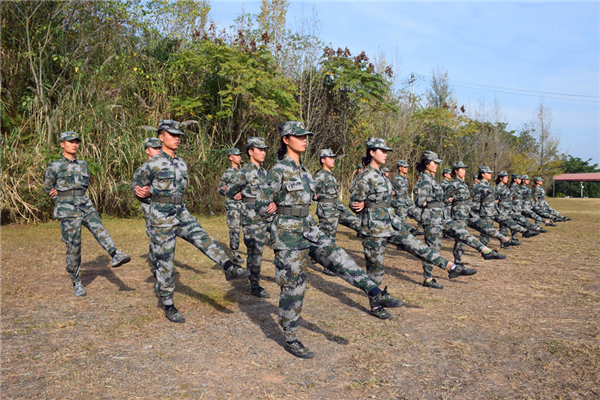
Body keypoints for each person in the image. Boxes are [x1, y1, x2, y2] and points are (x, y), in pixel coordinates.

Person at [256, 122, 404, 359]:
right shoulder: (279, 170)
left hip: (308, 228)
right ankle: (291, 337)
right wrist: (271, 210)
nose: (304, 140)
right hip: (287, 235)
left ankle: (375, 292)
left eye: (306, 136)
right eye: (299, 136)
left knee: (340, 257)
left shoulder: (304, 171)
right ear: (286, 139)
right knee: (294, 288)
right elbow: (261, 204)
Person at [132, 120, 250, 323]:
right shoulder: (151, 164)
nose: (176, 138)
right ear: (161, 137)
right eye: (172, 134)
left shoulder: (181, 163)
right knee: (166, 262)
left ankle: (229, 266)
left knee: (203, 237)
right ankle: (168, 303)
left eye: (178, 135)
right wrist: (142, 194)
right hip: (161, 216)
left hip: (181, 211)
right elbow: (137, 187)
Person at [351, 140, 477, 291]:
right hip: (374, 228)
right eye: (382, 151)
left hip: (390, 222)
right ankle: (375, 303)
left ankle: (451, 267)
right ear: (372, 152)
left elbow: (387, 197)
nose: (385, 154)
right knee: (376, 272)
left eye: (386, 152)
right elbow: (355, 203)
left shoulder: (382, 176)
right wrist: (365, 204)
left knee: (418, 246)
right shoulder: (364, 177)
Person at [45, 131, 131, 297]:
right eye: (70, 141)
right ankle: (76, 281)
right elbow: (48, 188)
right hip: (67, 209)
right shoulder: (54, 166)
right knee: (73, 246)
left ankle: (115, 254)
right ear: (62, 144)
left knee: (99, 229)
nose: (74, 144)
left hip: (85, 204)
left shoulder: (83, 165)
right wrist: (59, 197)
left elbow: (84, 185)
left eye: (76, 141)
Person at [414, 153, 503, 289]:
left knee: (461, 232)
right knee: (433, 250)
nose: (437, 165)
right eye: (434, 162)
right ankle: (428, 279)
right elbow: (419, 202)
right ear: (427, 163)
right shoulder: (424, 180)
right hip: (431, 218)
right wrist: (433, 202)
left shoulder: (431, 178)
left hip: (441, 216)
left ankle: (486, 251)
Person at [225, 137, 272, 298]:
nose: (263, 152)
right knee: (255, 251)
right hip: (251, 217)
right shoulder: (244, 172)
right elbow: (230, 190)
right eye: (260, 149)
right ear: (251, 152)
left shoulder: (264, 172)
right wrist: (240, 196)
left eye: (265, 149)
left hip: (266, 215)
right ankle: (254, 284)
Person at [444, 161, 514, 266]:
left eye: (464, 169)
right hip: (458, 214)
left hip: (467, 212)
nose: (464, 171)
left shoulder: (462, 183)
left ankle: (500, 242)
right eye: (462, 169)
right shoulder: (452, 184)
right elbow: (445, 199)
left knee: (481, 228)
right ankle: (457, 261)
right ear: (456, 171)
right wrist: (453, 200)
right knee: (461, 238)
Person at [473, 167, 539, 247]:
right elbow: (476, 200)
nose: (490, 175)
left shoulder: (488, 184)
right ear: (483, 174)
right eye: (488, 173)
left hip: (495, 210)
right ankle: (483, 249)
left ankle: (525, 231)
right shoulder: (480, 185)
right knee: (487, 232)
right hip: (486, 212)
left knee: (507, 221)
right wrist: (477, 213)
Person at [131, 137, 163, 275]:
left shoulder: (165, 167)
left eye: (159, 148)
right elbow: (136, 189)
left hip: (165, 206)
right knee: (155, 236)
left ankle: (161, 263)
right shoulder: (143, 169)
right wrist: (146, 194)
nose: (158, 150)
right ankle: (157, 266)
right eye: (155, 148)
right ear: (147, 151)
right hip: (150, 206)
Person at [495, 171, 542, 239]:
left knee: (515, 222)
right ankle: (504, 242)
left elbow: (510, 197)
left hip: (509, 208)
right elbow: (496, 199)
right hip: (503, 209)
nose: (507, 179)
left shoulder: (504, 187)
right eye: (506, 177)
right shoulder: (499, 187)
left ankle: (529, 231)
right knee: (504, 227)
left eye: (507, 177)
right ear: (501, 178)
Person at [218, 148, 244, 264]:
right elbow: (220, 189)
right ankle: (235, 253)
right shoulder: (227, 173)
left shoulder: (244, 172)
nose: (239, 157)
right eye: (236, 155)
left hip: (245, 204)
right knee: (235, 229)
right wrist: (227, 191)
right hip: (233, 205)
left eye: (239, 155)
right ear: (230, 157)